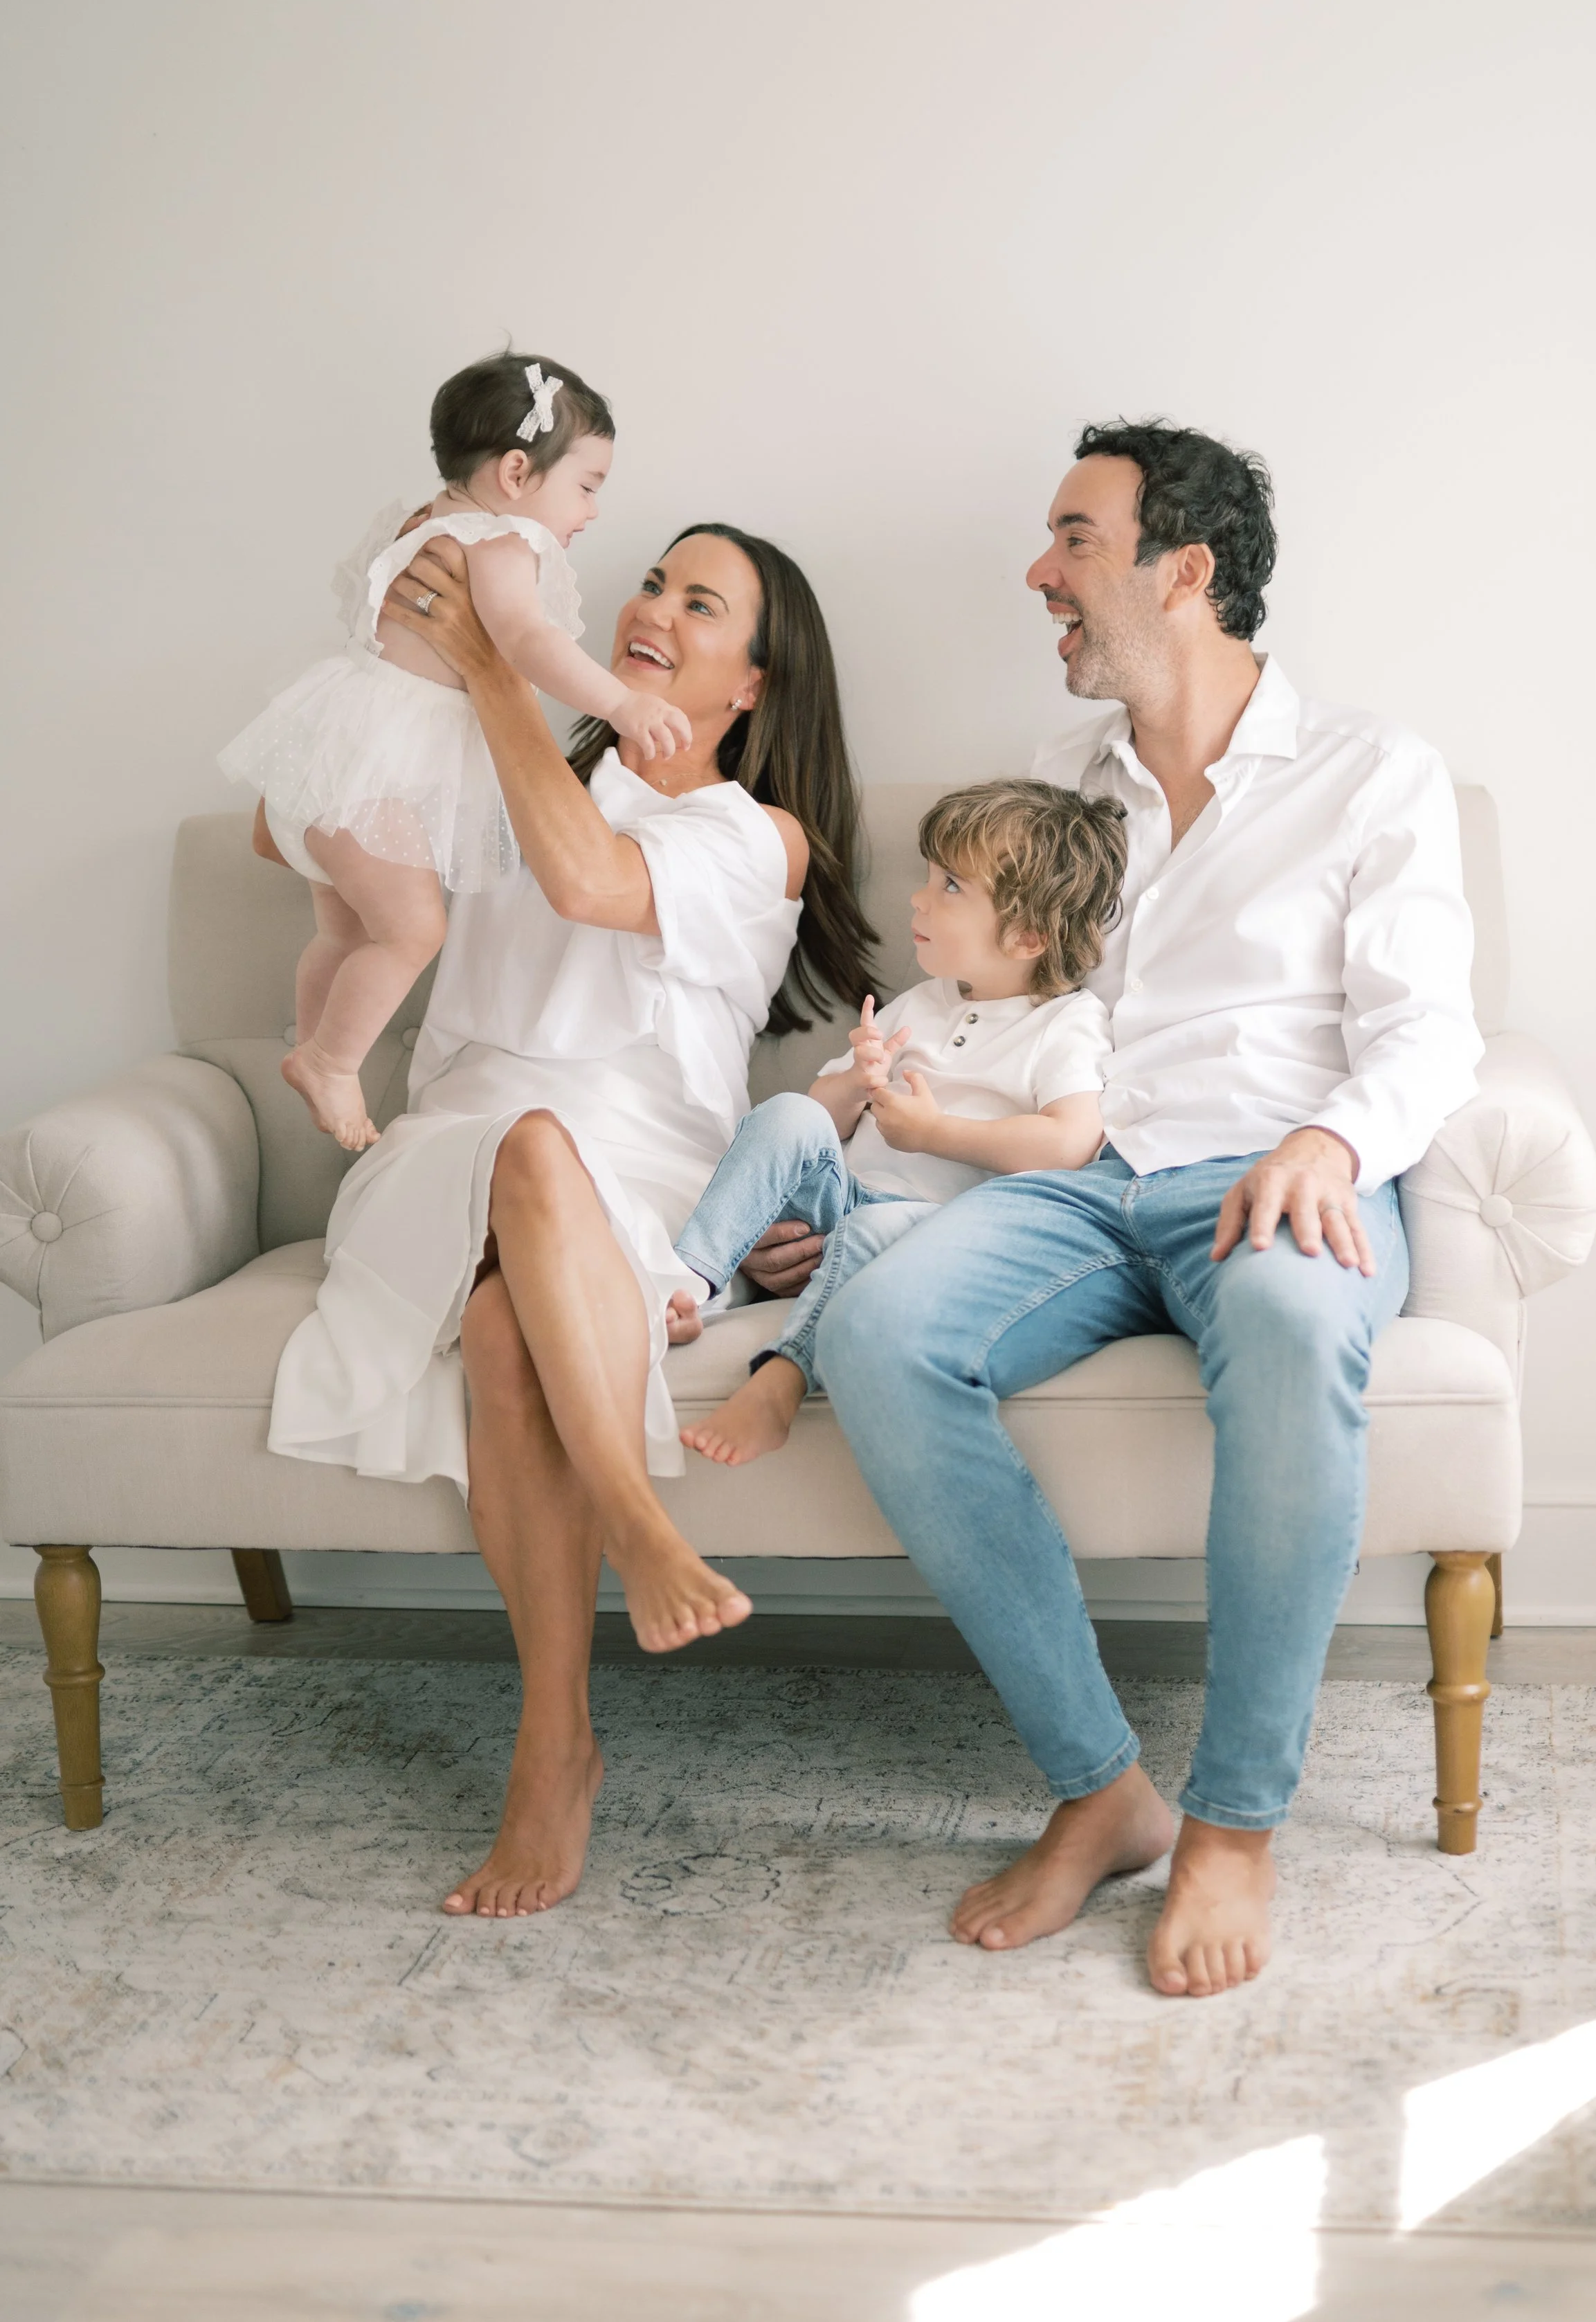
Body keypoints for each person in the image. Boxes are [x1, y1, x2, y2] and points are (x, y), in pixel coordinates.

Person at [806, 420, 1483, 2000]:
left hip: (1272, 1172)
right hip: (1088, 1173)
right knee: (886, 1325)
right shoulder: (1063, 790)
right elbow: (984, 1020)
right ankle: (1104, 1785)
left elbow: (1428, 1031)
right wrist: (846, 1171)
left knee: (1293, 1311)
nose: (1041, 571)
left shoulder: (1370, 772)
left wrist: (1330, 1138)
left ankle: (1235, 1822)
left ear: (1185, 569)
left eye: (1074, 540)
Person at [260, 517, 875, 1918]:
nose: (653, 603)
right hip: (445, 1150)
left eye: (700, 601)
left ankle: (554, 1746)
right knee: (525, 1144)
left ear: (753, 685)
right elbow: (283, 819)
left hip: (646, 1175)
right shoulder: (501, 763)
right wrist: (397, 669)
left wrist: (493, 673)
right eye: (651, 577)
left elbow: (590, 881)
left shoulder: (750, 834)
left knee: (500, 1325)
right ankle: (635, 1519)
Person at [219, 352, 688, 1154]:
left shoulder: (422, 521)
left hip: (342, 758)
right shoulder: (502, 540)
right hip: (382, 776)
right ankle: (332, 1060)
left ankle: (313, 1047)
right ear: (515, 472)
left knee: (343, 935)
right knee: (411, 934)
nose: (593, 511)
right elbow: (526, 638)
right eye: (587, 484)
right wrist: (620, 702)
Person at [674, 779, 1125, 1466]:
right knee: (791, 1111)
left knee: (875, 1226)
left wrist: (935, 1134)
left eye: (950, 886)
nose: (918, 897)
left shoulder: (1064, 1023)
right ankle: (684, 1284)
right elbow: (813, 1126)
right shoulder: (920, 1001)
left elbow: (1069, 1141)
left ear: (1029, 933)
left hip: (929, 1230)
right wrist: (854, 1084)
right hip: (839, 1201)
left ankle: (783, 1377)